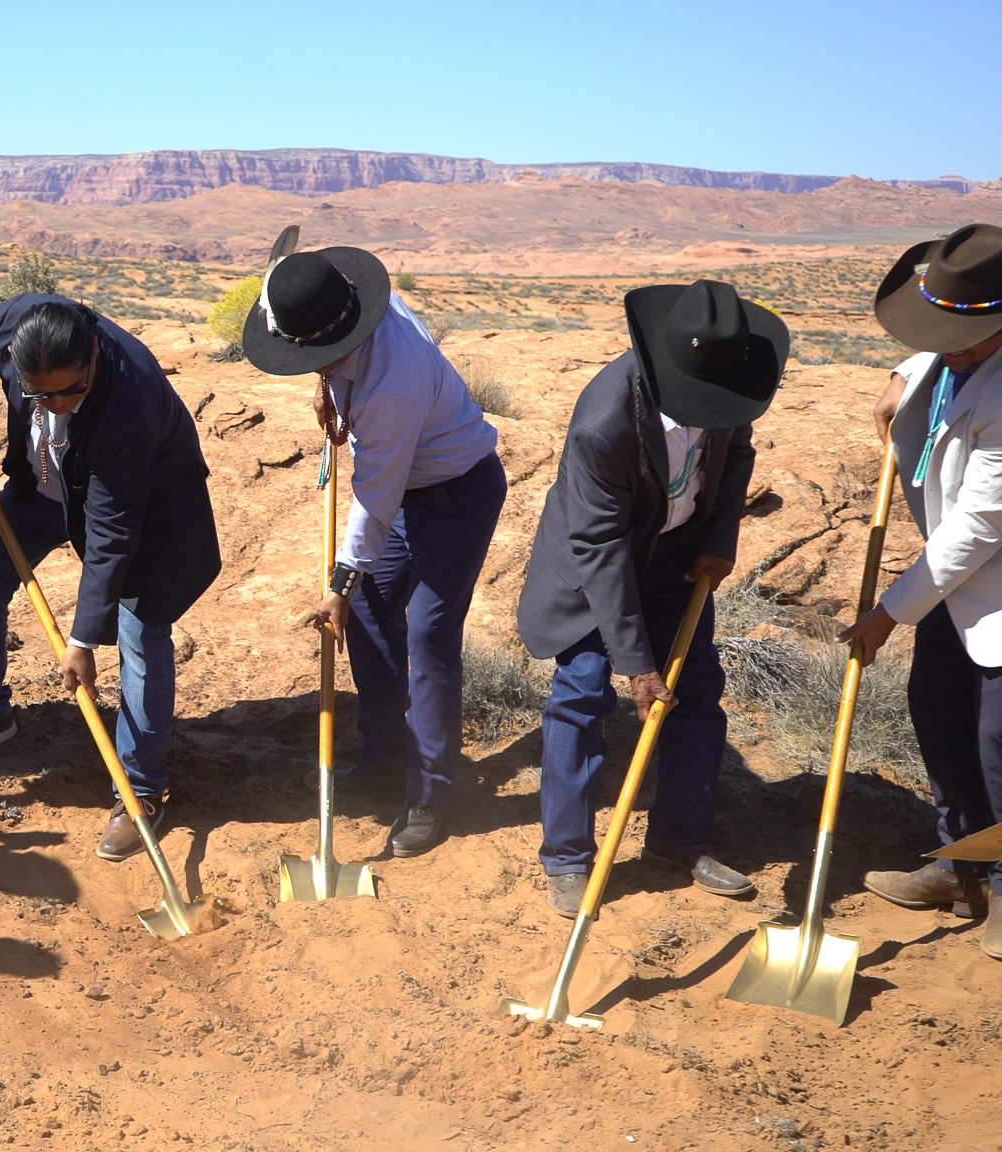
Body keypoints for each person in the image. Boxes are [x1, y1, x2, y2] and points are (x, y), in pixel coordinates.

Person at [517, 279, 785, 918]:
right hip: (593, 568)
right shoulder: (603, 425)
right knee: (582, 694)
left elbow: (738, 451)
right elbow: (602, 552)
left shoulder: (728, 378)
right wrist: (635, 663)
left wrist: (719, 537)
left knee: (694, 692)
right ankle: (569, 860)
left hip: (677, 552)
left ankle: (679, 842)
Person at [0, 296, 220, 861]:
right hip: (42, 487)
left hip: (145, 508)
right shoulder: (12, 330)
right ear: (15, 359)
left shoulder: (127, 400)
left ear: (91, 354)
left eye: (71, 391)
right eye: (42, 394)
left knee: (139, 631)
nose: (57, 405)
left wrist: (83, 641)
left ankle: (140, 792)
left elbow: (110, 534)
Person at [241, 242, 505, 858]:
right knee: (366, 611)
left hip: (456, 493)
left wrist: (336, 583)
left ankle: (431, 793)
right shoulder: (356, 304)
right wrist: (331, 387)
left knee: (428, 635)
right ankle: (384, 758)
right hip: (407, 485)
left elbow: (374, 502)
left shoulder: (392, 388)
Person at [839, 224, 1002, 960]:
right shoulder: (954, 353)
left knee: (998, 742)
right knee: (937, 712)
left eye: (958, 338)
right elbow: (940, 349)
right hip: (953, 584)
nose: (946, 347)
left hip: (988, 579)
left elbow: (976, 528)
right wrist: (907, 374)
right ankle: (958, 865)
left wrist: (887, 614)